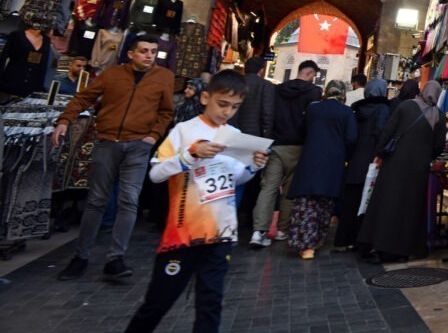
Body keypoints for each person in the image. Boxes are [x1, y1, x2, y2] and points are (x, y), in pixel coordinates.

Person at [124, 70, 269, 332]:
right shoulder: (184, 130)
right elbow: (156, 174)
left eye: (235, 107)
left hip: (221, 233)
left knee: (210, 305)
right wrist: (190, 155)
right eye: (222, 104)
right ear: (205, 98)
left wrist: (254, 166)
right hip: (183, 234)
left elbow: (236, 178)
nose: (227, 112)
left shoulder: (235, 134)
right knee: (157, 302)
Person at [52, 34, 175, 281]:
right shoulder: (111, 74)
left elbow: (166, 111)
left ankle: (115, 258)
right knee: (96, 200)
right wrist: (65, 120)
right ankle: (81, 256)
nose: (149, 55)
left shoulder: (164, 77)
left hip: (138, 146)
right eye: (144, 51)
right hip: (108, 143)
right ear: (131, 53)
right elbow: (84, 97)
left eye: (153, 51)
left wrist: (153, 135)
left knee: (129, 201)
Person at [358, 80, 446, 263]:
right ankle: (403, 250)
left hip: (394, 163)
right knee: (410, 209)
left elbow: (388, 132)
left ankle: (380, 247)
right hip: (418, 169)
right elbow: (438, 146)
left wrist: (379, 153)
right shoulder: (439, 116)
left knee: (387, 204)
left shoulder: (406, 106)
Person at [250, 60, 321, 247]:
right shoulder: (313, 92)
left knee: (268, 188)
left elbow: (268, 114)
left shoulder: (278, 89)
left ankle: (259, 232)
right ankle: (282, 229)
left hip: (276, 144)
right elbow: (311, 120)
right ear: (310, 73)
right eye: (314, 75)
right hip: (298, 146)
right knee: (290, 190)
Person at [286, 80, 357, 259]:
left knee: (306, 204)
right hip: (333, 162)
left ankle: (305, 245)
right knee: (325, 204)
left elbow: (302, 130)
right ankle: (318, 239)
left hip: (310, 159)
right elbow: (351, 138)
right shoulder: (346, 112)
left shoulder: (313, 109)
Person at [334, 78, 392, 250]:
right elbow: (381, 133)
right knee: (366, 201)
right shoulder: (383, 109)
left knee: (351, 201)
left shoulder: (357, 109)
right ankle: (361, 241)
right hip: (372, 160)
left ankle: (344, 239)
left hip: (355, 160)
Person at [229, 56, 275, 138]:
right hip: (254, 133)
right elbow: (267, 113)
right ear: (261, 70)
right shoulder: (266, 85)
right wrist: (266, 134)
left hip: (232, 130)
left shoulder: (235, 82)